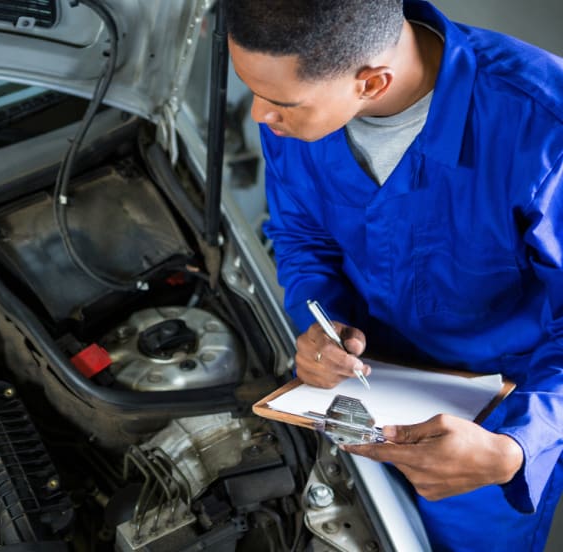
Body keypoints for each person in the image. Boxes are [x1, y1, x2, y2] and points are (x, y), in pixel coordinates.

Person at [225, 0, 563, 550]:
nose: (260, 115)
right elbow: (302, 236)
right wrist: (319, 320)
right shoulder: (294, 99)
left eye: (279, 101)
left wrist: (518, 447)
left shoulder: (545, 128)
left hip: (491, 427)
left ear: (372, 82)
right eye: (252, 89)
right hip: (353, 399)